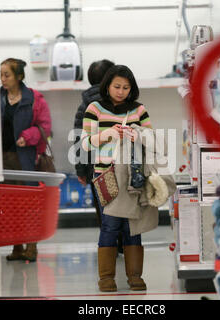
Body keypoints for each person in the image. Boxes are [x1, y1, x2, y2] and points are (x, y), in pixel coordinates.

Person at [82, 65, 152, 292]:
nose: (121, 91)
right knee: (110, 225)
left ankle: (135, 276)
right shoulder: (95, 108)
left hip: (134, 175)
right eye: (117, 86)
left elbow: (152, 141)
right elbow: (85, 143)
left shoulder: (139, 110)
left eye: (126, 87)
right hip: (105, 174)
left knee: (133, 225)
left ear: (132, 88)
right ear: (107, 86)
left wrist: (138, 135)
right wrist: (106, 134)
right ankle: (106, 277)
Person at [0, 58, 52, 262]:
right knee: (9, 205)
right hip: (2, 158)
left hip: (25, 158)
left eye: (7, 75)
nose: (2, 79)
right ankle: (16, 247)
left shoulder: (34, 99)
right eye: (1, 74)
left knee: (28, 203)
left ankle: (31, 245)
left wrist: (28, 137)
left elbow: (45, 128)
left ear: (19, 76)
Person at [73, 59, 126, 254]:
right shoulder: (122, 102)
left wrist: (81, 170)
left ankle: (109, 250)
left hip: (97, 170)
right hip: (122, 165)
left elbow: (79, 141)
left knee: (104, 212)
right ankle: (125, 245)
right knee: (124, 207)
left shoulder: (85, 106)